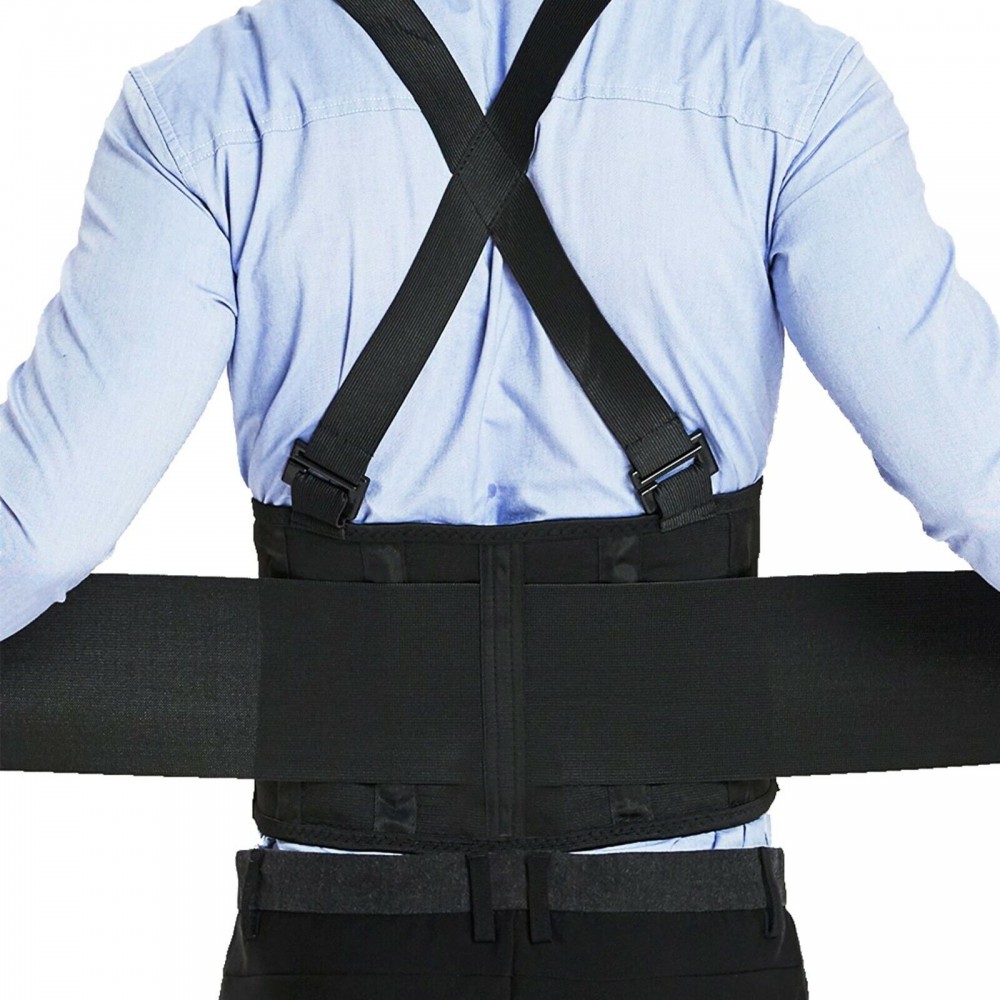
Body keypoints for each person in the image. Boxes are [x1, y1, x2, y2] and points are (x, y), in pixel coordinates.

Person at [1, 1, 997, 997]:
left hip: (344, 933)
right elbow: (977, 473)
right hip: (681, 931)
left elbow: (32, 533)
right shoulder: (784, 87)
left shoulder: (209, 110)